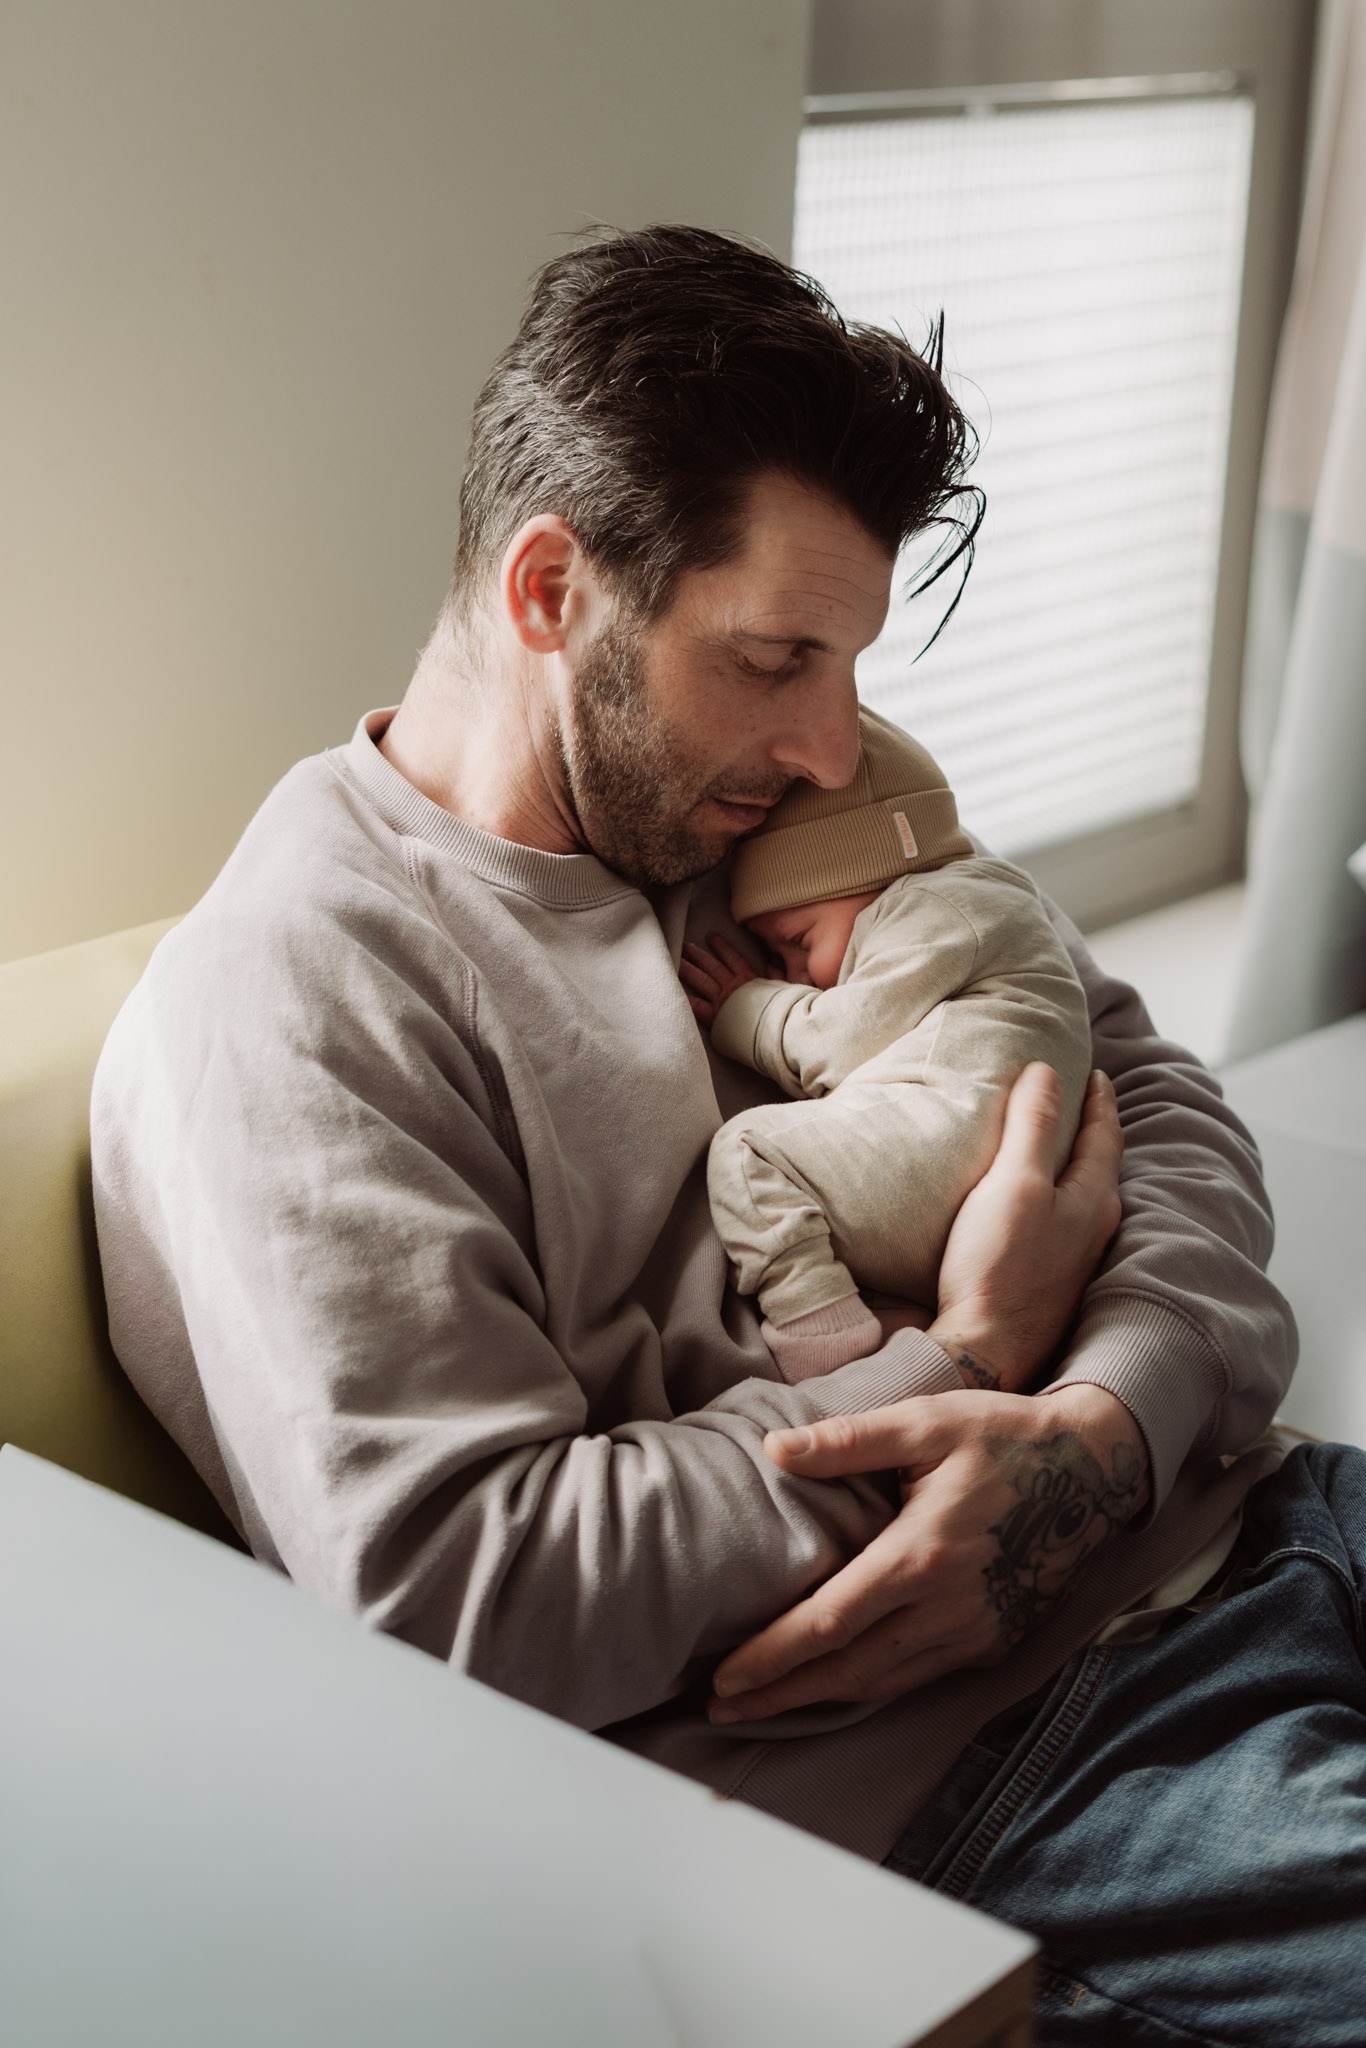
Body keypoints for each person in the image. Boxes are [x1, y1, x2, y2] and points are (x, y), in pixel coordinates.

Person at [91, 227, 1364, 2041]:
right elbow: (471, 1588)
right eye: (778, 654)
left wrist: (1110, 1414)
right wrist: (974, 1349)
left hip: (1260, 1510)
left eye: (848, 662)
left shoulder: (745, 799)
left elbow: (1143, 1092)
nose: (839, 747)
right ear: (552, 592)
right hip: (1025, 1764)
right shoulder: (300, 996)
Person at [681, 706, 1092, 1381]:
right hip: (986, 1180)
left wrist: (743, 1007)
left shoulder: (942, 906)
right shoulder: (986, 914)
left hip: (954, 1152)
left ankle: (827, 1347)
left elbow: (840, 1044)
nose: (795, 975)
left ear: (869, 870)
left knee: (749, 1152)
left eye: (798, 941)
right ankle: (887, 1318)